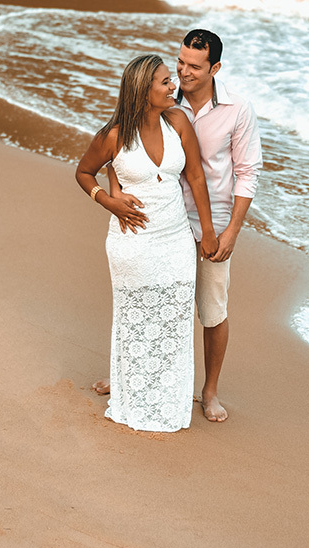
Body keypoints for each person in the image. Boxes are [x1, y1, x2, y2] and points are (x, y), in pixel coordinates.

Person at [99, 30, 263, 423]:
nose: (183, 72)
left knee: (211, 309)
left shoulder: (237, 109)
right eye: (180, 62)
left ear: (215, 68)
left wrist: (228, 232)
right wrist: (114, 193)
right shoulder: (161, 96)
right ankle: (129, 373)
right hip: (162, 220)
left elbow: (247, 173)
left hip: (213, 221)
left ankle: (209, 391)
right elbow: (119, 151)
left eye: (194, 66)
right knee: (148, 298)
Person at [75, 54, 218, 432]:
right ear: (143, 90)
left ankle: (168, 397)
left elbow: (196, 178)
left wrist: (207, 231)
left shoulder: (178, 122)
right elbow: (84, 171)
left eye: (171, 80)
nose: (174, 86)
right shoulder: (114, 135)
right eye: (165, 82)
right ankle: (132, 390)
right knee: (135, 317)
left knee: (173, 317)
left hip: (175, 239)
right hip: (132, 241)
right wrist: (107, 201)